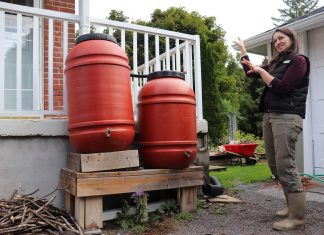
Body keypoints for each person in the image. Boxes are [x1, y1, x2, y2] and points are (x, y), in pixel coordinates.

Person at [233, 27, 310, 231]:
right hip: (270, 115)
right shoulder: (276, 62)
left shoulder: (298, 61)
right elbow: (252, 73)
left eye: (281, 38)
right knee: (275, 164)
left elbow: (284, 88)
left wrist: (262, 71)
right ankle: (289, 206)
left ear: (292, 39)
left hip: (287, 116)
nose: (277, 42)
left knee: (285, 163)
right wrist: (243, 51)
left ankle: (297, 217)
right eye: (275, 40)